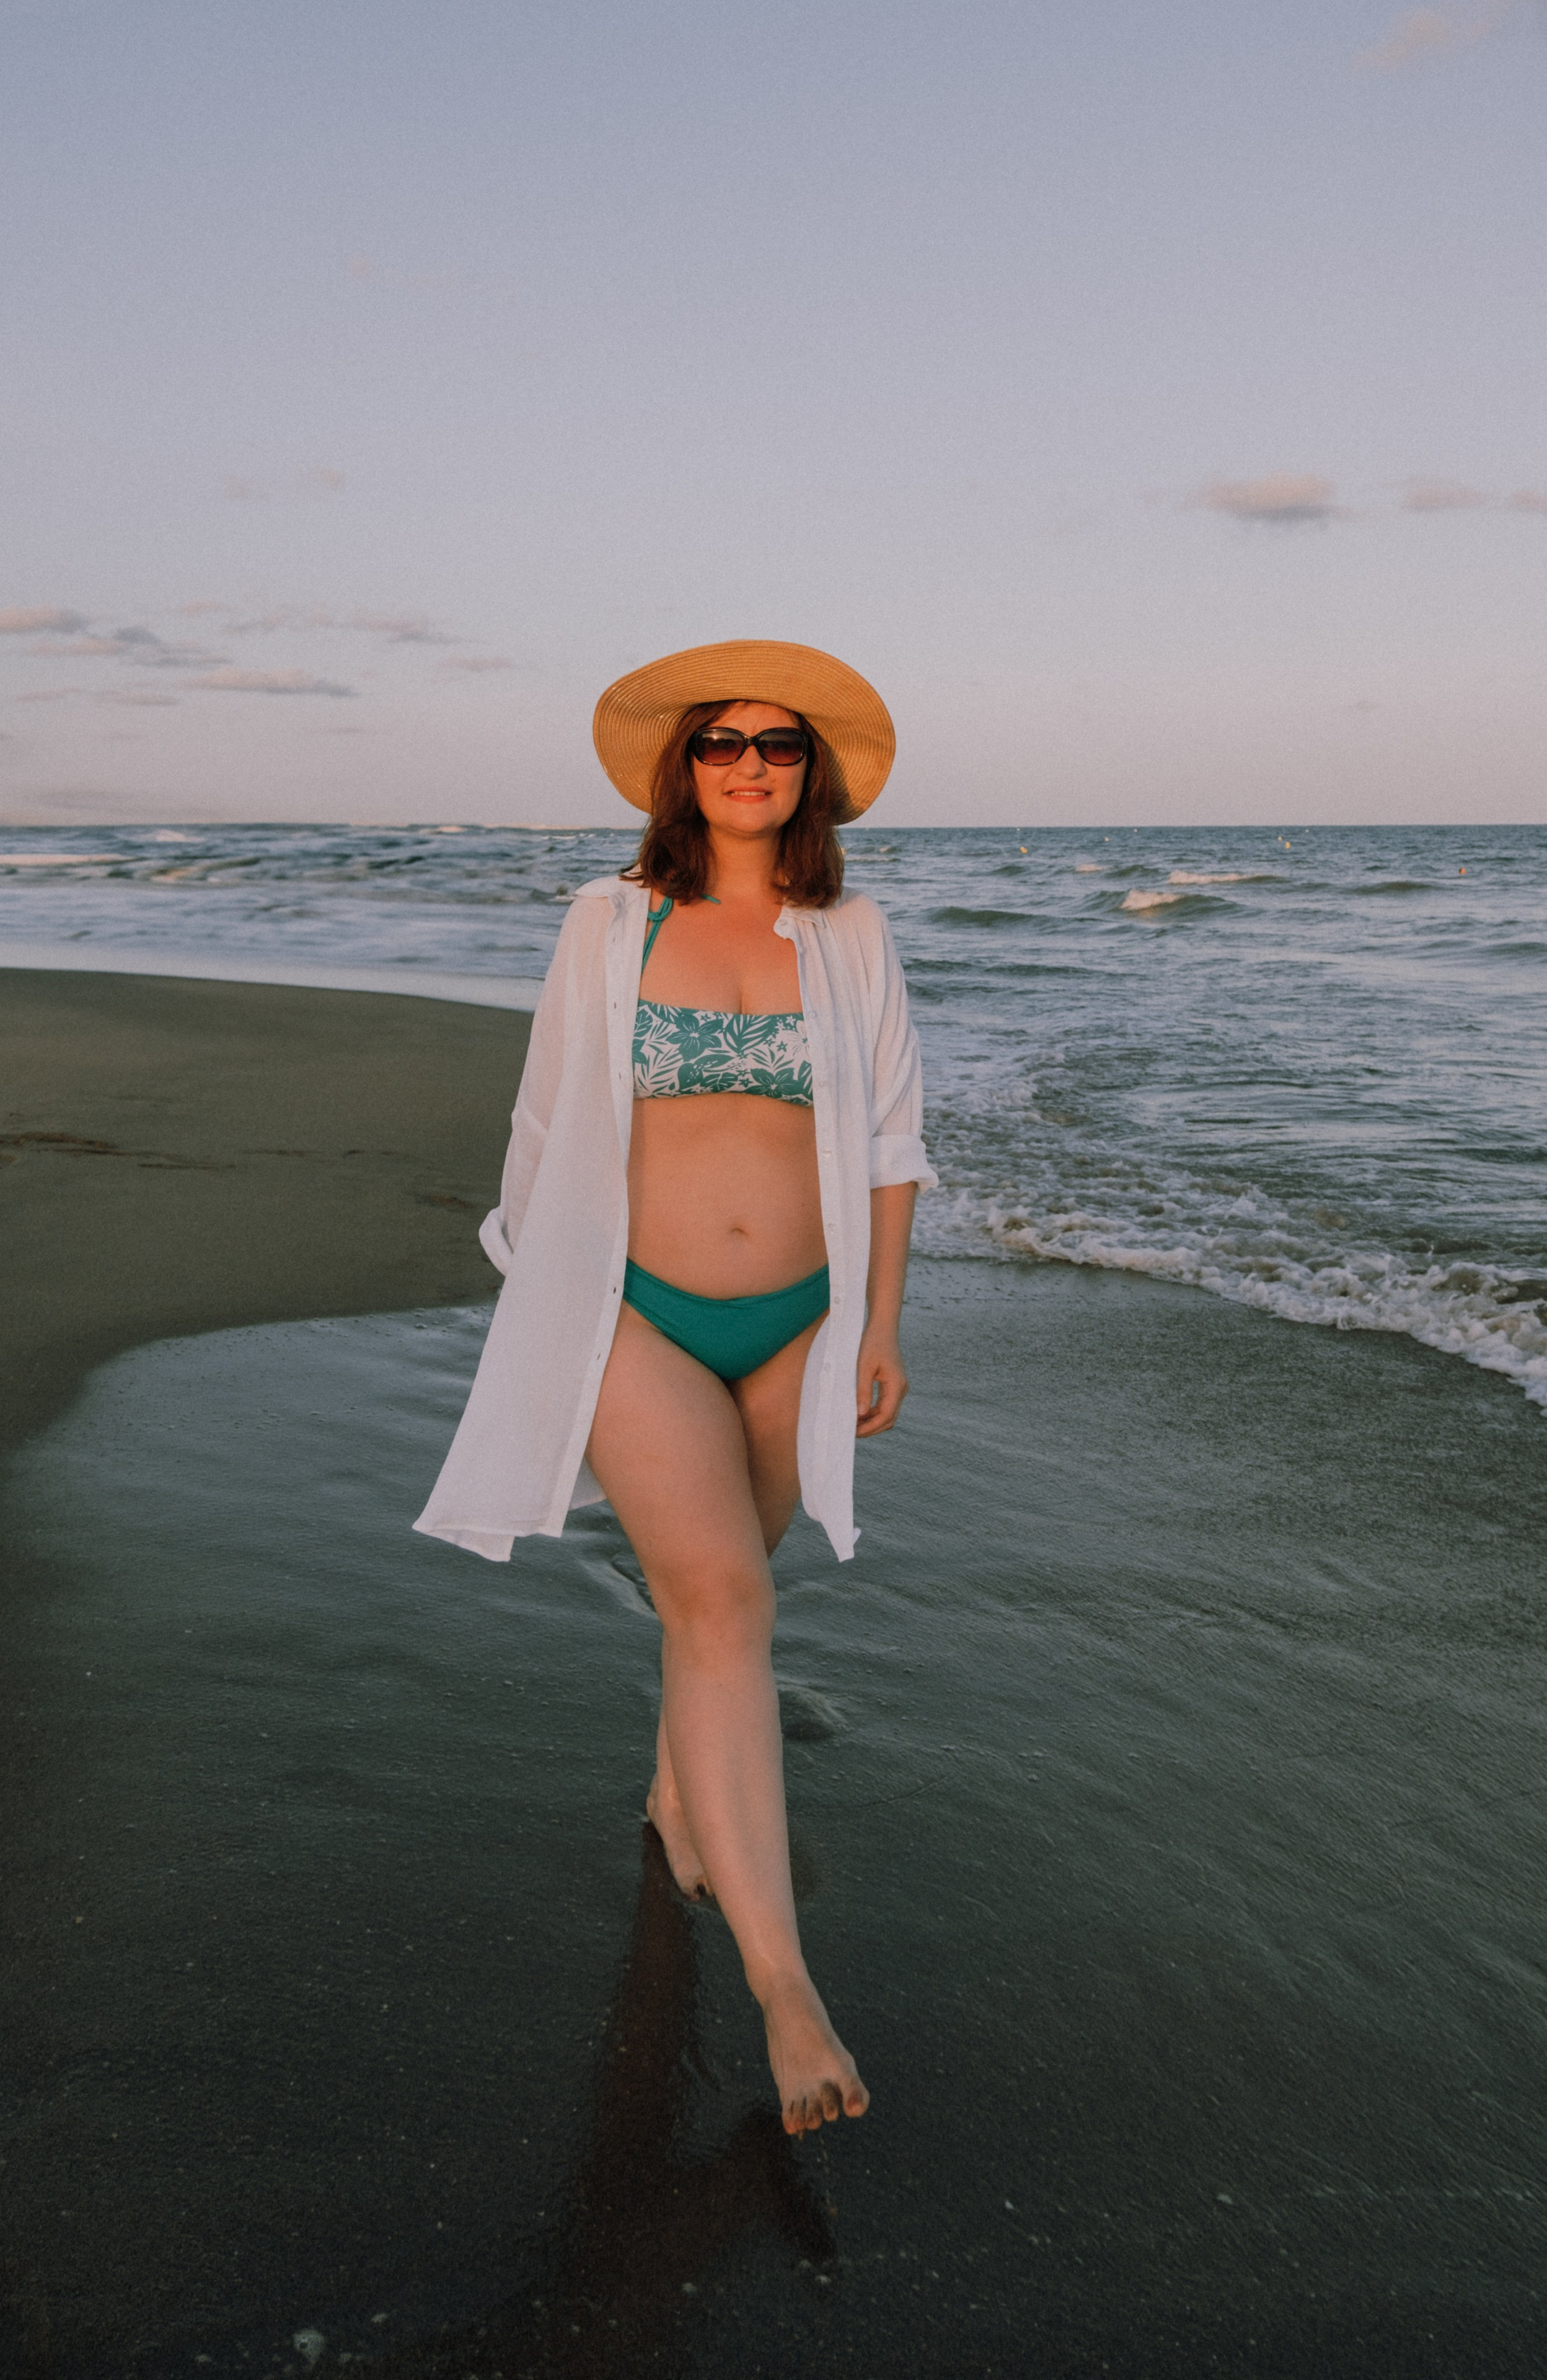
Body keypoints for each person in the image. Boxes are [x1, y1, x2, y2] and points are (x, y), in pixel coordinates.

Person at [416, 639, 937, 2134]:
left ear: (809, 773)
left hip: (798, 1320)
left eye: (778, 744)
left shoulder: (849, 931)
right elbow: (544, 1120)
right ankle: (782, 1987)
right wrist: (548, 1298)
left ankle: (675, 1794)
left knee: (721, 1596)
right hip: (631, 1309)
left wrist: (879, 1324)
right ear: (683, 766)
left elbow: (890, 1143)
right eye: (722, 741)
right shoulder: (609, 920)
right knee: (723, 1603)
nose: (750, 764)